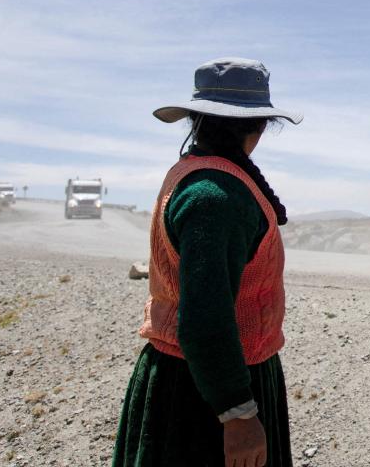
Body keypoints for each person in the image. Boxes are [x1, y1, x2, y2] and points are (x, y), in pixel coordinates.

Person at [114, 58, 302, 467]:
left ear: (196, 120)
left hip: (190, 377)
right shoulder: (217, 196)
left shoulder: (195, 175)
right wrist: (238, 413)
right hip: (203, 396)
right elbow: (204, 319)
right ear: (259, 127)